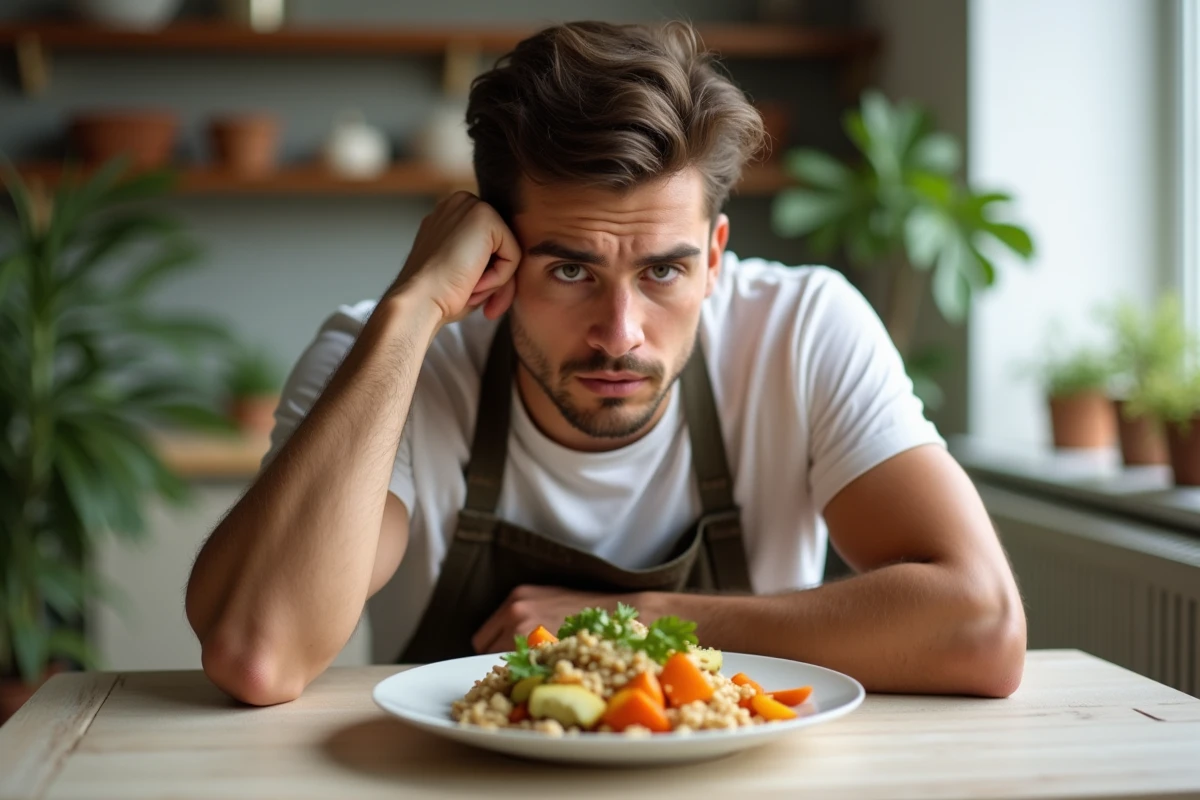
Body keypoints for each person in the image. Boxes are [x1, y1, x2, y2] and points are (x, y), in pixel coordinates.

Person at [185, 20, 1026, 707]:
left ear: (715, 256)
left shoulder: (801, 330)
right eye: (571, 270)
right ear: (495, 255)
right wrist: (411, 311)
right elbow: (260, 654)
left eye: (663, 270)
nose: (619, 332)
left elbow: (981, 627)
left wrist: (633, 620)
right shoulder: (392, 355)